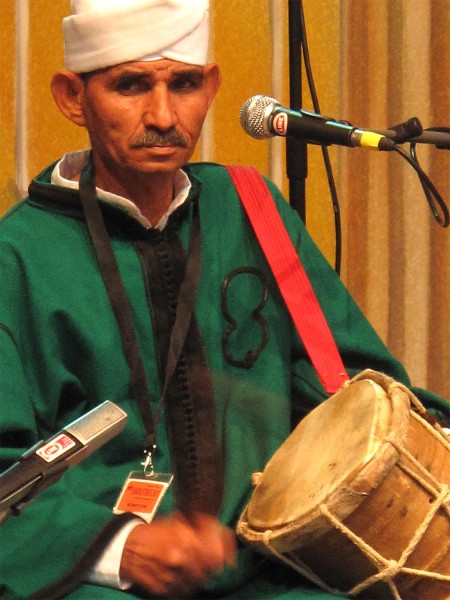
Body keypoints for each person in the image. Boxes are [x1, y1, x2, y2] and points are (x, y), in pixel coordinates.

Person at [0, 1, 448, 599]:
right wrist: (118, 546)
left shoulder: (250, 207)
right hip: (91, 571)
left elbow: (352, 387)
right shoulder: (18, 255)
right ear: (72, 97)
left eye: (183, 84)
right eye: (130, 86)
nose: (163, 115)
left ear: (210, 86)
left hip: (264, 563)